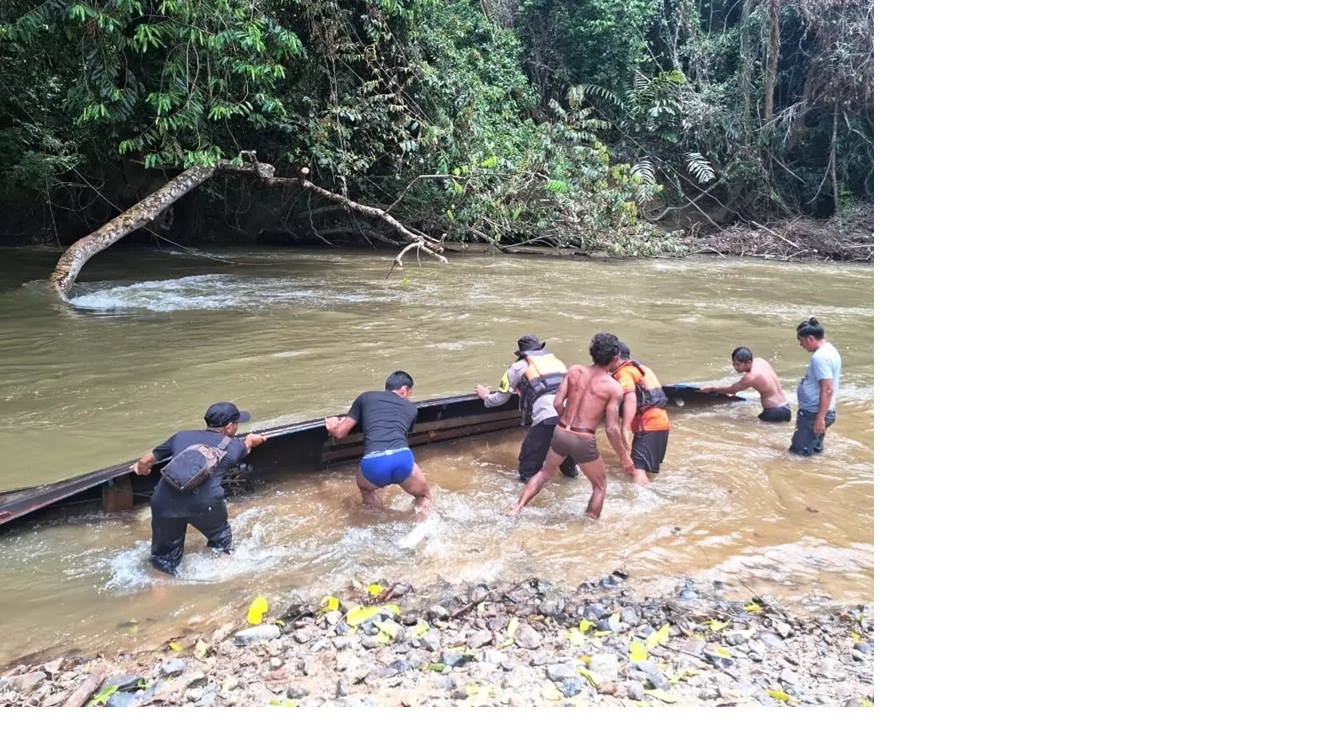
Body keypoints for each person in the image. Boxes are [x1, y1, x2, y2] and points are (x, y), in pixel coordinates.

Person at [505, 333, 633, 520]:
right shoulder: (613, 388)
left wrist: (565, 424)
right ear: (615, 358)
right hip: (584, 439)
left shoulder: (574, 371)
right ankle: (590, 525)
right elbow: (612, 429)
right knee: (600, 486)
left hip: (561, 431)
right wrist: (624, 457)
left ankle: (517, 507)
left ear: (592, 353)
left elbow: (557, 403)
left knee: (544, 473)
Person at [131, 402, 267, 576]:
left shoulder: (180, 436)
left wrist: (142, 470)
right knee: (221, 540)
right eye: (237, 423)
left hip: (164, 501)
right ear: (229, 427)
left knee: (164, 559)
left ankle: (159, 594)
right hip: (204, 504)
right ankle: (220, 581)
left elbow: (145, 462)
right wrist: (251, 440)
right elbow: (246, 446)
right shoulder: (234, 446)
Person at [325, 370, 433, 516]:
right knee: (424, 496)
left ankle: (382, 520)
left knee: (366, 489)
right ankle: (423, 527)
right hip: (402, 458)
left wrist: (332, 425)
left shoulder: (366, 397)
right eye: (410, 393)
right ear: (404, 390)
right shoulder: (411, 408)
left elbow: (340, 433)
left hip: (374, 462)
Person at [475, 335, 579, 481]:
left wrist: (485, 396)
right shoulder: (558, 363)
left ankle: (530, 501)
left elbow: (499, 399)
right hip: (572, 418)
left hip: (547, 419)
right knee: (568, 468)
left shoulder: (516, 368)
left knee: (527, 469)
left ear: (522, 353)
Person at [611, 341, 671, 485]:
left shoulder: (624, 372)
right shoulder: (641, 368)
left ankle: (644, 502)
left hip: (648, 424)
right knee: (646, 469)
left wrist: (624, 428)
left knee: (638, 469)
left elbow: (630, 398)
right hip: (661, 422)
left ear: (616, 357)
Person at [791, 317, 842, 456]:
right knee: (813, 451)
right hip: (818, 412)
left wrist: (819, 418)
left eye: (801, 341)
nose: (801, 345)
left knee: (798, 455)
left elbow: (827, 389)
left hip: (813, 414)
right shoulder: (829, 349)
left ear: (810, 338)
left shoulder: (820, 358)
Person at [700, 346, 792, 422]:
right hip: (786, 409)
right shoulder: (760, 361)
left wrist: (712, 388)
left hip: (774, 412)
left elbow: (731, 389)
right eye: (734, 364)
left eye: (738, 364)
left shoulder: (751, 377)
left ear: (748, 362)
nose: (735, 367)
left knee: (735, 422)